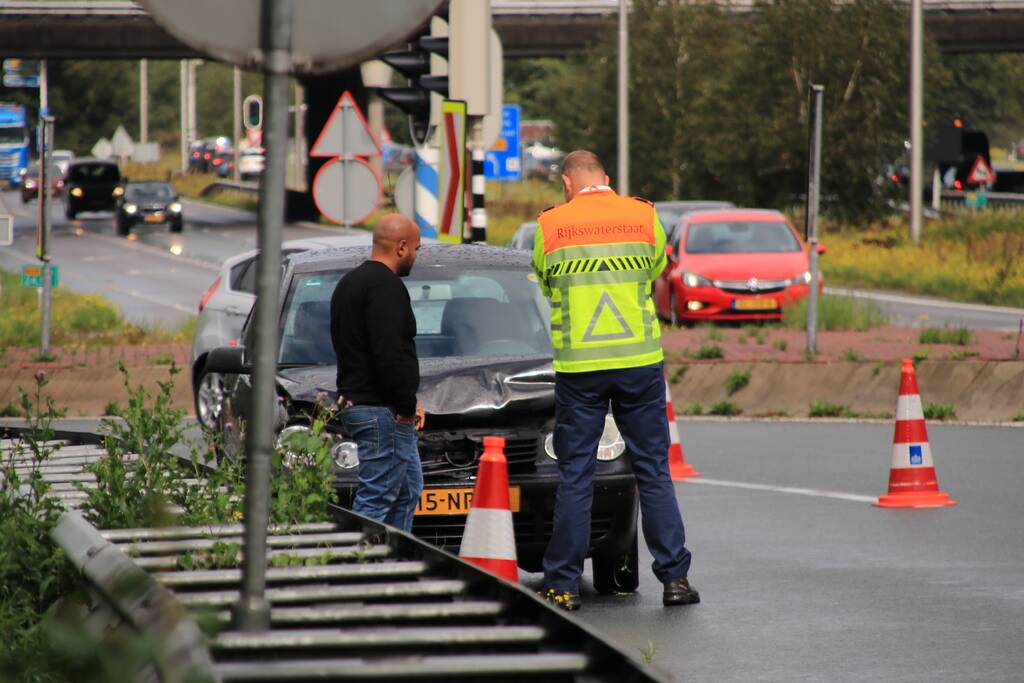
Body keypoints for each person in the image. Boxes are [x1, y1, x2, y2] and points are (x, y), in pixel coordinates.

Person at [532, 150, 699, 610]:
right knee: (653, 471)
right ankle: (675, 580)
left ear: (568, 182)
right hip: (638, 363)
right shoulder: (643, 216)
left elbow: (547, 285)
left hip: (580, 370)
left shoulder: (550, 226)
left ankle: (563, 583)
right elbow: (654, 273)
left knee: (576, 476)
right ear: (605, 179)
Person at [330, 214, 425, 532]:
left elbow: (356, 349)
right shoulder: (387, 288)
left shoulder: (349, 283)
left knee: (407, 489)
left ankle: (396, 562)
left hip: (362, 403)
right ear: (401, 247)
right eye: (415, 248)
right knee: (377, 497)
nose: (415, 255)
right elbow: (389, 354)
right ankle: (357, 570)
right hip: (382, 410)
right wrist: (405, 406)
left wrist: (408, 400)